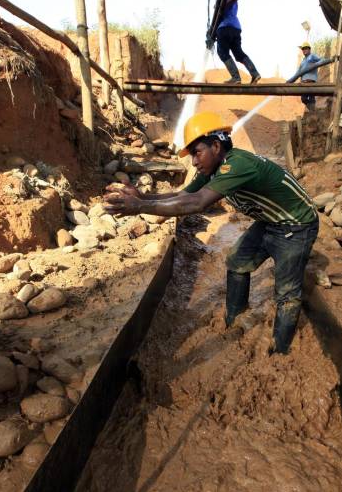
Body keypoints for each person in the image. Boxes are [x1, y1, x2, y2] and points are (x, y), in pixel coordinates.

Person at [104, 111, 318, 355]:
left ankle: (280, 351)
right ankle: (236, 318)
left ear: (216, 146)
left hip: (296, 224)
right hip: (271, 221)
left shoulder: (237, 164)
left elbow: (197, 204)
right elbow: (185, 195)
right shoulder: (212, 169)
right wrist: (144, 197)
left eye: (197, 152)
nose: (194, 161)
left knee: (287, 293)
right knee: (237, 261)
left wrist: (140, 207)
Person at [209, 0, 261, 85]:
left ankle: (236, 77)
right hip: (235, 27)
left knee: (222, 52)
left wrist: (222, 6)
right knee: (238, 54)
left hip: (225, 27)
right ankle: (255, 74)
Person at [287, 42, 323, 115]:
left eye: (306, 48)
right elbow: (298, 73)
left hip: (311, 81)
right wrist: (290, 80)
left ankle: (313, 113)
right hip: (304, 82)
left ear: (309, 49)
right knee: (303, 98)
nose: (304, 50)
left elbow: (322, 60)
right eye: (303, 49)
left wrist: (315, 65)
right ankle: (314, 111)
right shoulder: (303, 61)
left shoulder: (312, 56)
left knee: (311, 97)